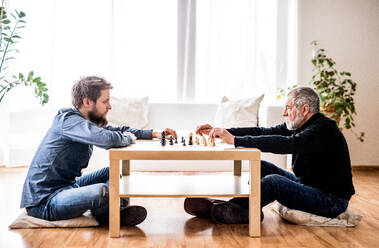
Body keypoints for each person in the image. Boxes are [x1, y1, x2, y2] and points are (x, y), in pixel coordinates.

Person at [184, 87, 355, 224]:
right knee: (262, 166)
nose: (284, 113)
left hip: (331, 200)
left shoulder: (323, 129)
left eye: (288, 108)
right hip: (309, 186)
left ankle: (228, 208)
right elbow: (262, 132)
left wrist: (235, 140)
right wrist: (223, 131)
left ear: (304, 109)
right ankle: (235, 208)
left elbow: (288, 144)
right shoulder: (299, 126)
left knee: (273, 181)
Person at [20, 76, 177, 226]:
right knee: (102, 191)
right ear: (87, 101)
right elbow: (108, 139)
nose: (109, 106)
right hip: (44, 201)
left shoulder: (84, 122)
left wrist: (152, 133)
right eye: (105, 101)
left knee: (114, 172)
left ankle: (107, 212)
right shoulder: (68, 121)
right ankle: (110, 211)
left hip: (68, 186)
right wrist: (128, 138)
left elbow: (117, 130)